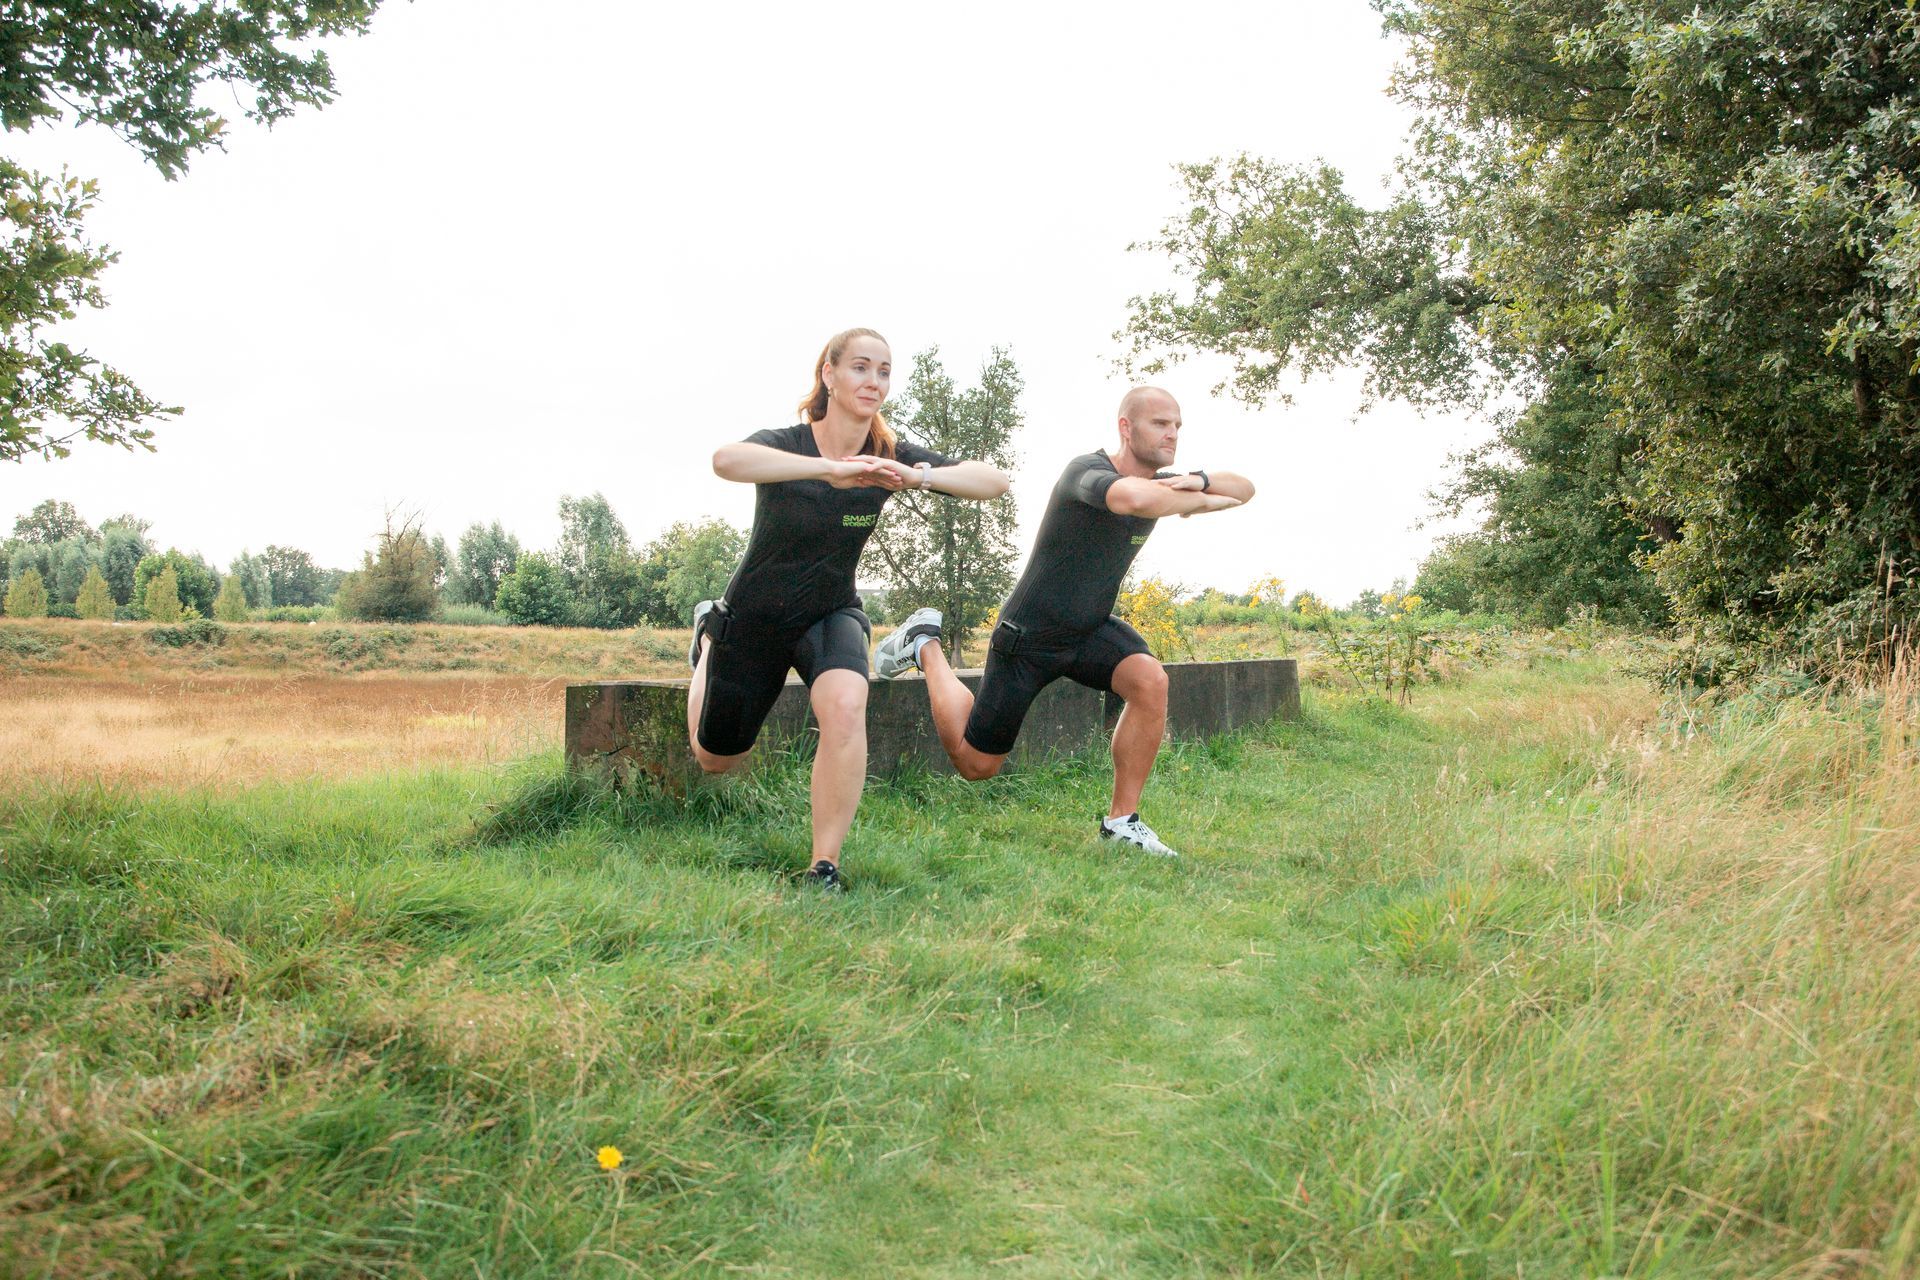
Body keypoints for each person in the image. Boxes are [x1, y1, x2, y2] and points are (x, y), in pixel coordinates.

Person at [688, 327, 1010, 890]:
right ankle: (708, 640)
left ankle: (824, 866)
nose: (874, 381)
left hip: (829, 611)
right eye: (861, 367)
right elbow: (725, 460)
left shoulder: (887, 454)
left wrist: (917, 476)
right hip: (755, 617)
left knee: (845, 702)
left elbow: (994, 482)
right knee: (716, 759)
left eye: (884, 371)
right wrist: (828, 469)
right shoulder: (789, 442)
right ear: (829, 375)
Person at [873, 386, 1253, 858]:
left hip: (1088, 627)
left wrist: (1197, 481)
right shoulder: (1086, 472)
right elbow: (1129, 499)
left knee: (1150, 681)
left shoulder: (1169, 484)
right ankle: (924, 643)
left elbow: (1243, 489)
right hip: (1028, 636)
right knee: (976, 766)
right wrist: (1187, 498)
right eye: (1160, 423)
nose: (1172, 433)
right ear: (1125, 427)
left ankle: (1121, 822)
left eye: (1177, 425)